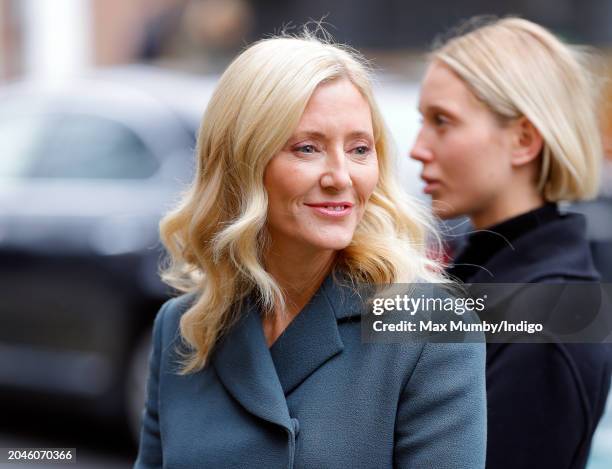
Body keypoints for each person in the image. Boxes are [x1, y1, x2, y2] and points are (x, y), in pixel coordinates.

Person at [134, 34, 486, 468]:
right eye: (307, 148)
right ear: (243, 162)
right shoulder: (184, 328)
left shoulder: (427, 326)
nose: (341, 176)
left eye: (360, 149)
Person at [410, 17, 612, 469]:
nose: (417, 148)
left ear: (523, 139)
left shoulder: (549, 320)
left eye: (442, 121)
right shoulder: (491, 278)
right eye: (422, 121)